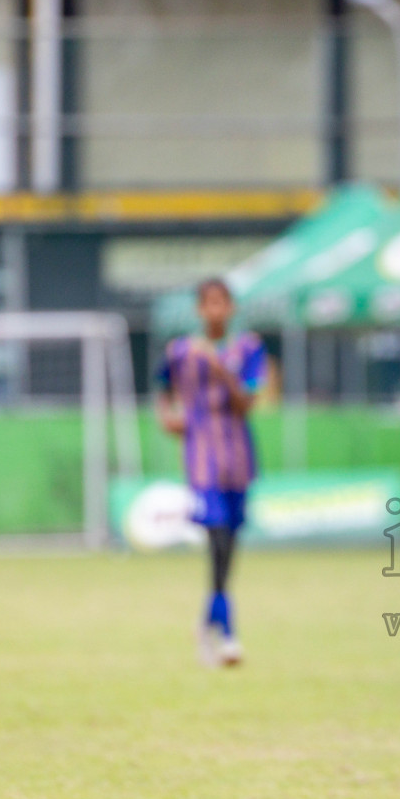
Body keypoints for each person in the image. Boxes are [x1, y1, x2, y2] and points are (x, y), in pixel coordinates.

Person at [155, 278, 267, 668]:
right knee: (217, 541)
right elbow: (162, 383)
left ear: (231, 308)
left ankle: (207, 623)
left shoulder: (248, 349)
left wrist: (221, 370)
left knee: (229, 546)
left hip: (238, 457)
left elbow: (247, 402)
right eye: (209, 303)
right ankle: (229, 635)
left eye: (222, 303)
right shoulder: (181, 351)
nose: (216, 310)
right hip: (202, 458)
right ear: (200, 310)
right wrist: (165, 416)